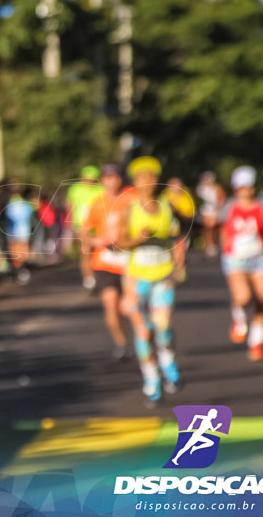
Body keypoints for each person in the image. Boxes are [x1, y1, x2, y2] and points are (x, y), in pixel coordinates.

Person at [118, 156, 184, 407]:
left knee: (162, 327)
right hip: (137, 279)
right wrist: (139, 239)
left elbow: (177, 238)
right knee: (143, 331)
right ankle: (151, 380)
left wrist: (179, 265)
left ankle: (169, 366)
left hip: (163, 276)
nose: (147, 182)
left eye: (152, 177)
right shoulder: (131, 210)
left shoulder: (167, 208)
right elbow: (121, 242)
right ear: (135, 182)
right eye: (141, 178)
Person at [81, 165, 136, 361]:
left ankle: (140, 339)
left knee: (128, 307)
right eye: (107, 177)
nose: (111, 181)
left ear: (120, 179)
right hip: (105, 262)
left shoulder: (132, 199)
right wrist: (95, 241)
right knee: (110, 303)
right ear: (103, 181)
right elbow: (85, 231)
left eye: (114, 177)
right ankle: (121, 344)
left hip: (129, 261)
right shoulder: (97, 203)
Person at [219, 166, 263, 361]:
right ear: (236, 188)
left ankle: (257, 341)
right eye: (242, 187)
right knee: (243, 297)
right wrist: (226, 249)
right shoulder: (229, 207)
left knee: (262, 301)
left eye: (249, 186)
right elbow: (222, 228)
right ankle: (238, 315)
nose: (246, 191)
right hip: (236, 259)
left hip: (260, 258)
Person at [67, 165, 104, 291]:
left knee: (98, 252)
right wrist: (71, 223)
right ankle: (89, 278)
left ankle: (98, 276)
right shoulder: (75, 189)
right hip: (82, 226)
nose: (89, 181)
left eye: (92, 179)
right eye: (87, 178)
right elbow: (70, 206)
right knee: (86, 252)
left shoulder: (101, 189)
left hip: (99, 226)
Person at [196, 171, 225, 257]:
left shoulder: (217, 188)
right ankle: (209, 246)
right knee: (208, 230)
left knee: (216, 229)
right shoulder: (201, 189)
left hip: (215, 212)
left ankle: (216, 245)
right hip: (205, 212)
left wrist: (218, 210)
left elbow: (221, 199)